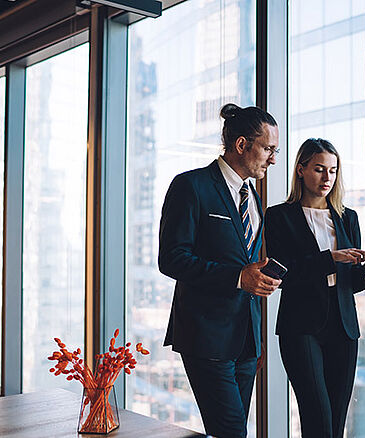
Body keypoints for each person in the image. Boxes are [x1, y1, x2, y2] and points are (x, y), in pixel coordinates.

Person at [158, 103, 282, 438]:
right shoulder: (191, 186)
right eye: (269, 149)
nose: (273, 158)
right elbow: (171, 258)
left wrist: (256, 342)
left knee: (234, 431)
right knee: (231, 432)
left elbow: (249, 264)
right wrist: (238, 277)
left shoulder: (253, 196)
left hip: (245, 342)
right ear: (242, 145)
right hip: (206, 336)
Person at [265, 138, 365, 438]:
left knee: (336, 425)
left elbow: (352, 283)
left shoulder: (349, 217)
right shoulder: (279, 216)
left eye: (333, 171)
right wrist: (330, 259)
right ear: (300, 170)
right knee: (317, 419)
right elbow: (284, 274)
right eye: (319, 169)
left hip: (344, 328)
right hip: (301, 329)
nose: (327, 178)